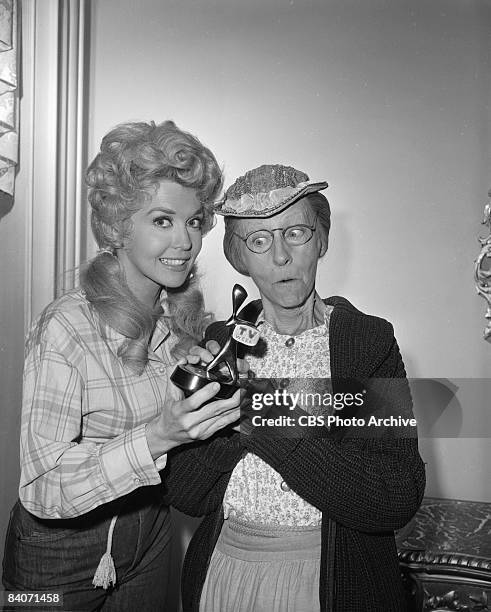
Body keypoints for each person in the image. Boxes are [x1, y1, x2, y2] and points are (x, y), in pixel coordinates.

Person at [1, 120, 243, 612]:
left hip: (150, 534)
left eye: (194, 221)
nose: (185, 241)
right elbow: (42, 487)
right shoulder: (66, 327)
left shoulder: (175, 321)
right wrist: (159, 436)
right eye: (162, 220)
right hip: (55, 553)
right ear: (117, 226)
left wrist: (192, 383)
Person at [163, 164, 426, 612]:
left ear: (322, 239)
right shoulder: (221, 347)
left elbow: (394, 496)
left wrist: (259, 414)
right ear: (238, 257)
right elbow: (187, 492)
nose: (280, 257)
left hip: (336, 583)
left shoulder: (367, 343)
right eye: (259, 241)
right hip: (225, 576)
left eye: (296, 233)